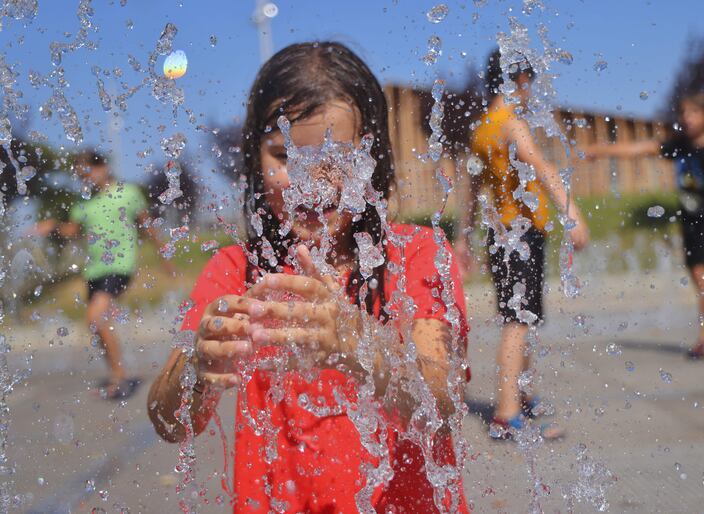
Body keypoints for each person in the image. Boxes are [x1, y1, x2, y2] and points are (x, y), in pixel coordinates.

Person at [147, 42, 470, 513]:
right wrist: (197, 368)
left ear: (372, 157)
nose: (309, 181)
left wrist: (361, 347)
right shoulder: (237, 273)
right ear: (254, 160)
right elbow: (168, 422)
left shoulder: (417, 255)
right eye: (283, 155)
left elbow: (440, 409)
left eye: (337, 156)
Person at [454, 50, 590, 440]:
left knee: (522, 320)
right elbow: (543, 167)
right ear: (520, 80)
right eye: (530, 81)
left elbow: (473, 189)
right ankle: (507, 412)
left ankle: (523, 396)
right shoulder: (512, 124)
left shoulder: (483, 128)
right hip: (521, 235)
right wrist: (572, 214)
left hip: (502, 237)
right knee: (517, 324)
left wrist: (464, 237)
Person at [584, 92, 704, 358]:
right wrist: (601, 150)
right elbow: (642, 149)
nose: (687, 118)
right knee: (700, 278)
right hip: (689, 223)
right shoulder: (681, 146)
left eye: (693, 113)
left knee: (701, 277)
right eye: (684, 113)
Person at [32, 150, 170, 399]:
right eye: (80, 175)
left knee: (96, 318)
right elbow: (72, 231)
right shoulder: (83, 203)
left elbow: (147, 225)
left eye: (87, 172)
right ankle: (117, 372)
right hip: (94, 270)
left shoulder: (128, 193)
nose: (85, 179)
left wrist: (163, 256)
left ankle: (120, 378)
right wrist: (52, 226)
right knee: (95, 324)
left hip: (119, 266)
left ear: (103, 167)